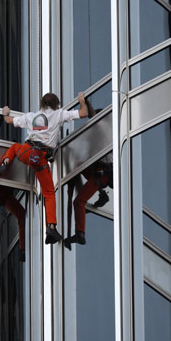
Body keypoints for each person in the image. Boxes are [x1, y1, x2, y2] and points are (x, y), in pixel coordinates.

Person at [0, 92, 88, 244]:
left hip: (26, 152)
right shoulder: (59, 114)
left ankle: (5, 162)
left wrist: (5, 113)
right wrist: (82, 100)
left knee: (15, 147)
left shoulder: (30, 116)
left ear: (42, 104)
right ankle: (50, 227)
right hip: (40, 157)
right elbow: (83, 113)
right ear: (56, 104)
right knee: (49, 193)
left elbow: (9, 120)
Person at [64, 99, 113, 249]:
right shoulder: (101, 137)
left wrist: (87, 103)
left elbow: (94, 118)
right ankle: (102, 194)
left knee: (78, 202)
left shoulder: (104, 130)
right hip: (98, 171)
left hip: (101, 174)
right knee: (78, 165)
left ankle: (80, 234)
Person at [0, 116, 26, 261]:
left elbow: (21, 215)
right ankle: (7, 161)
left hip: (9, 164)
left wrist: (22, 248)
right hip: (9, 164)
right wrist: (22, 248)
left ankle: (6, 161)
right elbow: (21, 215)